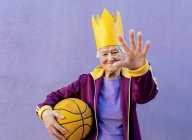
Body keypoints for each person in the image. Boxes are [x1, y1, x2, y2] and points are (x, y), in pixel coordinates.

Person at [36, 8, 158, 140]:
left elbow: (144, 96)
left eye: (115, 52)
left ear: (123, 54)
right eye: (104, 53)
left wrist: (139, 70)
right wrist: (45, 112)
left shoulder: (131, 80)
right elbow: (56, 95)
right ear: (99, 56)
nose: (110, 58)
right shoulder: (86, 81)